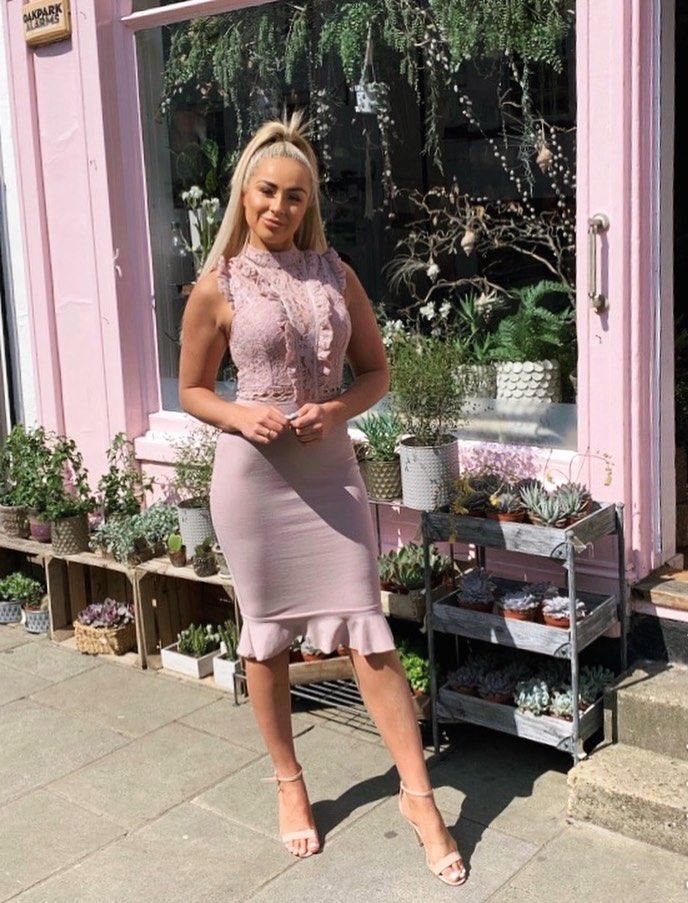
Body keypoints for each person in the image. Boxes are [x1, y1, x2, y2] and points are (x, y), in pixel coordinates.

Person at [178, 108, 467, 887]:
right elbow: (193, 388)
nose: (279, 206)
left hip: (331, 474)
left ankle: (419, 795)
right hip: (252, 481)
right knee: (267, 637)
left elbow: (377, 372)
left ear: (310, 203)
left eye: (295, 195)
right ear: (245, 195)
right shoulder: (217, 284)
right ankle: (289, 780)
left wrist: (336, 410)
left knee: (369, 634)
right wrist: (239, 414)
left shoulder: (337, 275)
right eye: (267, 191)